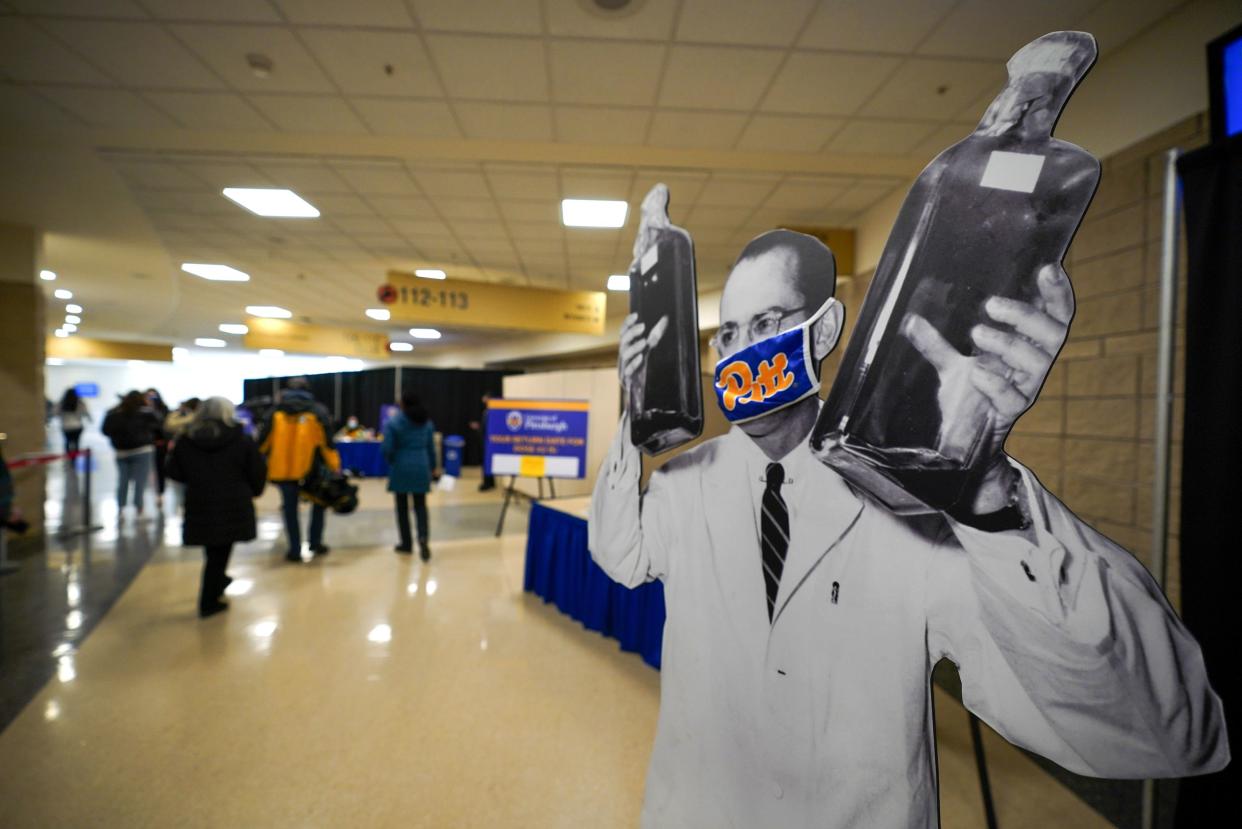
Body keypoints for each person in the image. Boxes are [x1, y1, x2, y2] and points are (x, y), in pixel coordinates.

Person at [589, 230, 1228, 827]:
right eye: (729, 333)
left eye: (768, 323)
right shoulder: (686, 480)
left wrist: (981, 489)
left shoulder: (912, 499)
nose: (744, 350)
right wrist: (635, 410)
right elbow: (621, 555)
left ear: (823, 329)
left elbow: (1166, 732)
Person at [165, 397, 266, 618]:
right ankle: (209, 600)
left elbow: (174, 471)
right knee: (220, 550)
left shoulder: (186, 439)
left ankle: (218, 582)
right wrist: (254, 491)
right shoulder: (241, 438)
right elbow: (256, 470)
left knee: (213, 549)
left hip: (200, 501)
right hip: (233, 502)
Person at [258, 377, 335, 563]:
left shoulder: (275, 412)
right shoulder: (318, 411)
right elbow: (327, 442)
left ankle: (294, 549)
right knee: (318, 504)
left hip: (283, 469)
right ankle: (315, 543)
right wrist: (333, 466)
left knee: (290, 509)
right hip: (313, 468)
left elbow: (263, 442)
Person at [383, 391, 439, 561]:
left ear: (403, 404)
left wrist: (393, 460)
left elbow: (387, 449)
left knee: (402, 508)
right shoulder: (427, 422)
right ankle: (423, 539)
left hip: (401, 467)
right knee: (420, 506)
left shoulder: (394, 422)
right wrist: (433, 467)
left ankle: (406, 544)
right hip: (421, 466)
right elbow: (431, 448)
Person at [101, 390, 161, 520]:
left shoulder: (114, 414)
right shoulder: (146, 413)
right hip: (142, 450)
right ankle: (139, 508)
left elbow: (105, 430)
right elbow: (158, 426)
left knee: (123, 480)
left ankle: (120, 508)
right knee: (140, 482)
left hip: (121, 452)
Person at [145, 388, 170, 507]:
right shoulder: (142, 411)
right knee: (144, 472)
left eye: (153, 397)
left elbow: (165, 426)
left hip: (160, 444)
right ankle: (142, 499)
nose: (151, 399)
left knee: (160, 469)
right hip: (144, 445)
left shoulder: (163, 410)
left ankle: (160, 494)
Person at [470, 393, 496, 491]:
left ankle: (487, 483)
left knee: (486, 462)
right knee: (489, 462)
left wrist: (478, 428)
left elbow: (485, 429)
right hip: (489, 441)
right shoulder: (490, 412)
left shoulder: (489, 412)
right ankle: (491, 482)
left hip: (487, 441)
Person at [55, 387, 90, 455]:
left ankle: (68, 457)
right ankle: (74, 458)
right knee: (76, 442)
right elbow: (85, 413)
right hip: (77, 426)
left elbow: (56, 413)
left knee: (67, 442)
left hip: (66, 426)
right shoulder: (80, 403)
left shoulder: (61, 403)